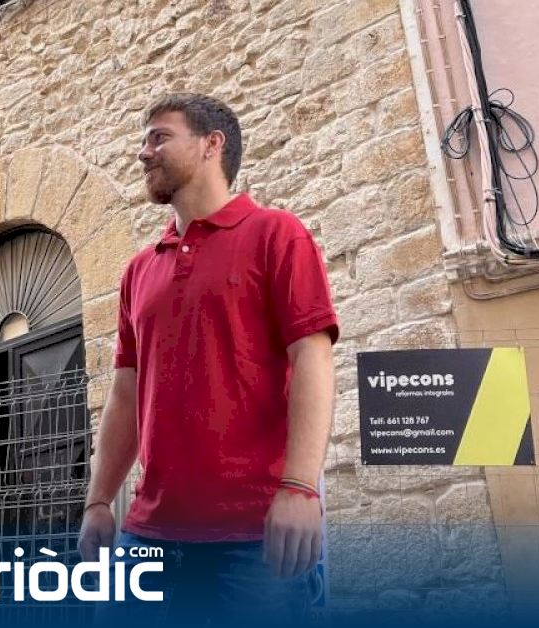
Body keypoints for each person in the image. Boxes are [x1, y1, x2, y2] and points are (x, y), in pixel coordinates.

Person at [79, 93, 338, 626]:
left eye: (159, 137)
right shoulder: (138, 271)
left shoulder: (276, 234)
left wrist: (299, 487)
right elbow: (125, 394)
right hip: (148, 537)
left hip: (254, 538)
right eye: (144, 140)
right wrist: (99, 500)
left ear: (210, 144)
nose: (143, 152)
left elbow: (312, 360)